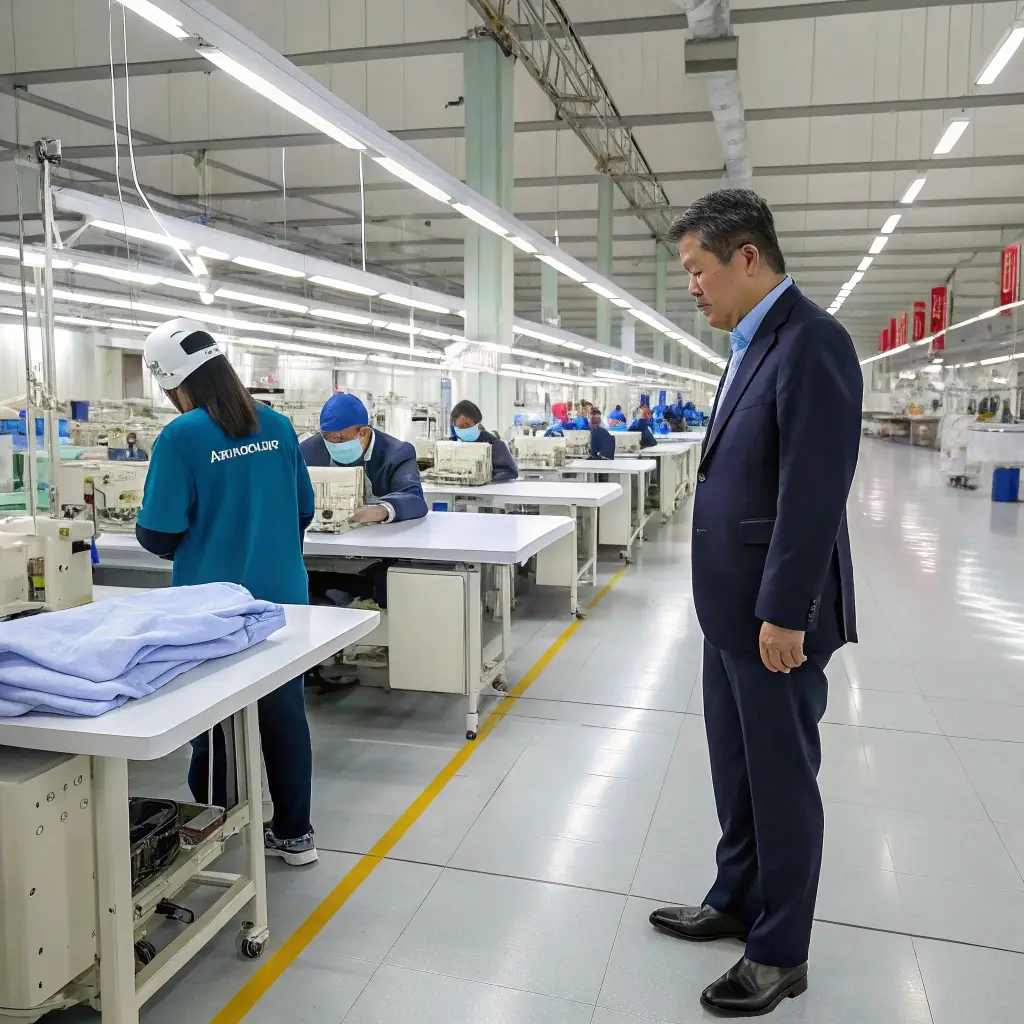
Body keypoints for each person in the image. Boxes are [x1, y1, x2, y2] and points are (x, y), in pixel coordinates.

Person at [648, 190, 862, 1017]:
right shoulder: (746, 344)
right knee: (735, 770)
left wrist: (786, 612)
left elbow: (814, 490)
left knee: (780, 781)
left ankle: (780, 950)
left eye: (699, 270)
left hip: (776, 619)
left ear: (747, 257)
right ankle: (735, 898)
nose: (691, 287)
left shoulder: (812, 341)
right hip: (728, 610)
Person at [136, 318, 319, 867]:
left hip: (211, 607)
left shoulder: (182, 436)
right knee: (284, 715)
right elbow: (304, 509)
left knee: (214, 725)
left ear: (173, 383)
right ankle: (295, 836)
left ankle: (219, 830)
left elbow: (158, 532)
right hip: (283, 599)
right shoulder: (280, 426)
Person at [300, 392, 427, 608]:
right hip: (325, 541)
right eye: (327, 436)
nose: (332, 443)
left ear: (364, 432)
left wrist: (381, 510)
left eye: (339, 438)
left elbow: (414, 497)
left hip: (376, 549)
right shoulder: (308, 450)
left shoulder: (396, 453)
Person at [450, 399, 518, 481]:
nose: (465, 428)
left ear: (477, 424)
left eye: (468, 424)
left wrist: (485, 476)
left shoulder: (494, 444)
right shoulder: (450, 445)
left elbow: (511, 472)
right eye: (461, 426)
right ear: (454, 425)